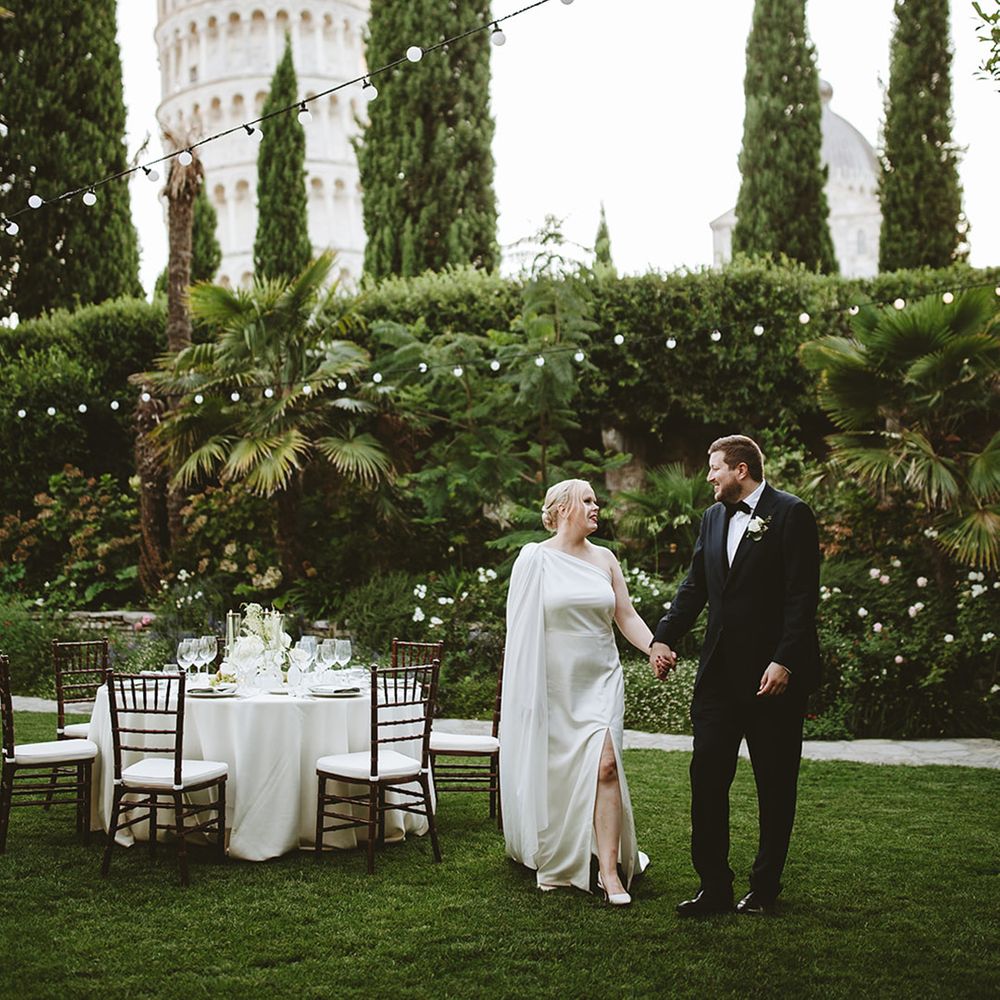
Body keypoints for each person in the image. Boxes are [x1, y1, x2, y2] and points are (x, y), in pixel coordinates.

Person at [649, 435, 820, 916]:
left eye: (715, 469)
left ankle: (764, 889)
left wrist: (785, 660)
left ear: (741, 470)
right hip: (719, 678)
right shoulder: (712, 517)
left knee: (775, 784)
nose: (709, 477)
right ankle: (713, 887)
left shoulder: (791, 514)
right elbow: (695, 586)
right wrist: (664, 636)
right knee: (706, 778)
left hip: (773, 680)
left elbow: (802, 597)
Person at [500, 479, 652, 905]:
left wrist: (654, 647)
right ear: (563, 508)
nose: (596, 505)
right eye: (587, 500)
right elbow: (521, 633)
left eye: (595, 499)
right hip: (553, 686)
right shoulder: (534, 560)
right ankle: (562, 857)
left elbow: (626, 615)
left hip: (601, 679)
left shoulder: (605, 558)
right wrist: (525, 694)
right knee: (560, 773)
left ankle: (608, 872)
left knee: (606, 765)